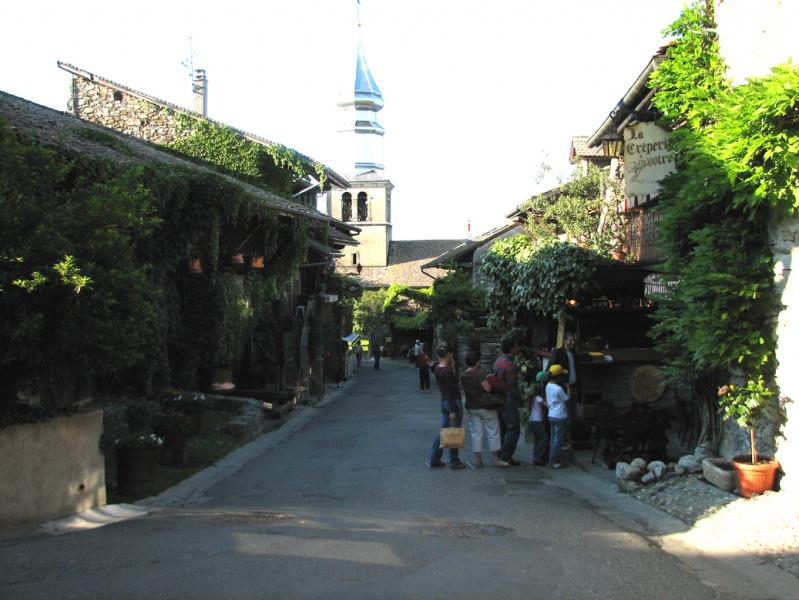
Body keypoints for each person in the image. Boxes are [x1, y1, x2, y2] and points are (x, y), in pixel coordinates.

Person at [460, 349, 508, 468]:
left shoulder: (464, 375)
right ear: (477, 361)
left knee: (476, 433)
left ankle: (478, 460)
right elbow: (487, 389)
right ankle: (495, 459)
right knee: (493, 431)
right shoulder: (479, 373)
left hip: (471, 406)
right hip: (485, 406)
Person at [428, 343, 465, 470]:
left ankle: (435, 458)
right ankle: (454, 461)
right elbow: (451, 391)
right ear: (449, 354)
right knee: (453, 431)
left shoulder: (438, 368)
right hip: (452, 402)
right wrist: (453, 409)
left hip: (444, 402)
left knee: (444, 430)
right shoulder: (447, 371)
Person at [493, 337, 522, 466]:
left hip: (499, 397)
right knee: (513, 428)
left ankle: (501, 454)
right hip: (508, 398)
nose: (518, 349)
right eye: (516, 346)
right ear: (511, 348)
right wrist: (520, 400)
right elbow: (513, 386)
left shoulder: (499, 360)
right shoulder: (510, 365)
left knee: (503, 427)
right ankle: (505, 454)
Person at [550, 332, 581, 420]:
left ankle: (573, 432)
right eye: (570, 340)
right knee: (565, 415)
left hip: (574, 387)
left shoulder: (575, 354)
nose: (573, 342)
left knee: (574, 415)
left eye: (573, 340)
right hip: (563, 389)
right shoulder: (558, 353)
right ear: (564, 341)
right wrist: (559, 382)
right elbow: (550, 371)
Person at [546, 364, 570, 469]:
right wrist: (568, 387)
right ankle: (553, 461)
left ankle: (552, 459)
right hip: (560, 415)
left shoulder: (548, 386)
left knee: (553, 438)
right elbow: (567, 399)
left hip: (551, 414)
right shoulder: (558, 389)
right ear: (558, 377)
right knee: (558, 440)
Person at [528, 371, 549, 466]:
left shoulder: (533, 397)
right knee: (544, 438)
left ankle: (536, 457)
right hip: (537, 421)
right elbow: (547, 406)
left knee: (538, 439)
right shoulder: (538, 398)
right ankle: (537, 456)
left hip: (533, 420)